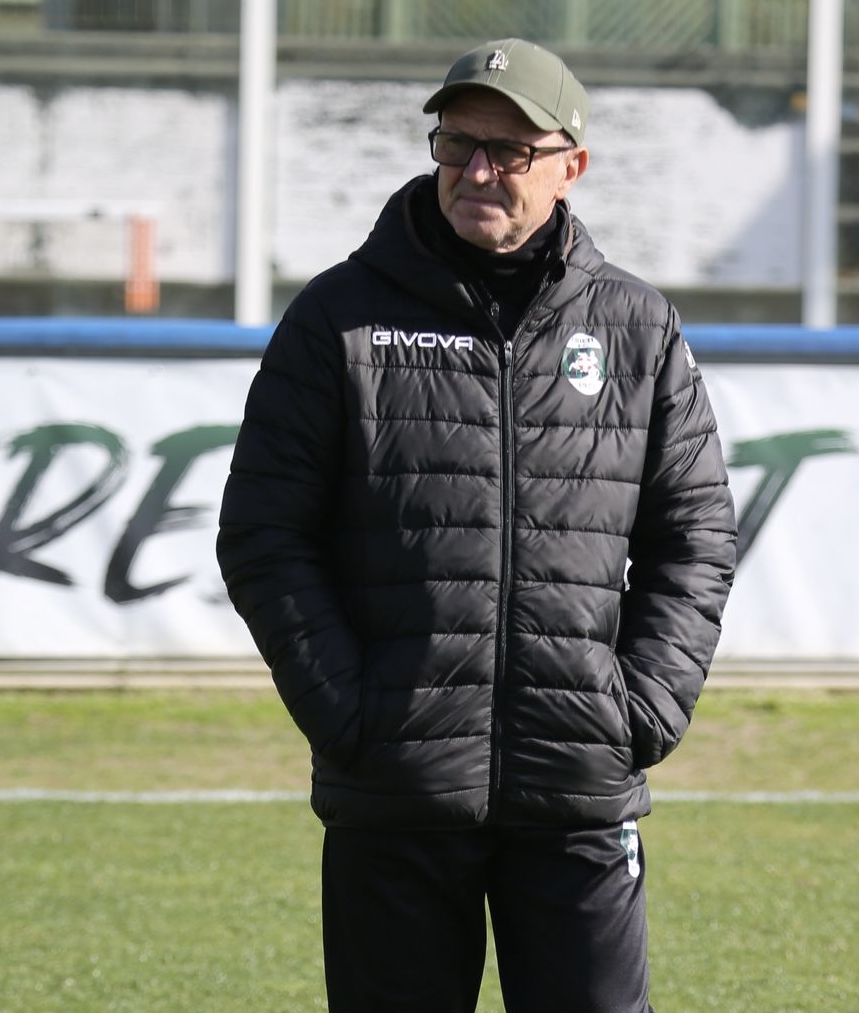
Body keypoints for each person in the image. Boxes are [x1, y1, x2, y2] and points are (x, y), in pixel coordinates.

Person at [217, 37, 737, 1013]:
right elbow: (263, 532)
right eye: (456, 144)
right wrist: (351, 712)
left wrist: (640, 709)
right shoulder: (338, 317)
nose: (477, 171)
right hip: (396, 787)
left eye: (510, 152)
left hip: (579, 781)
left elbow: (696, 532)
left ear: (572, 166)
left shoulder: (636, 326)